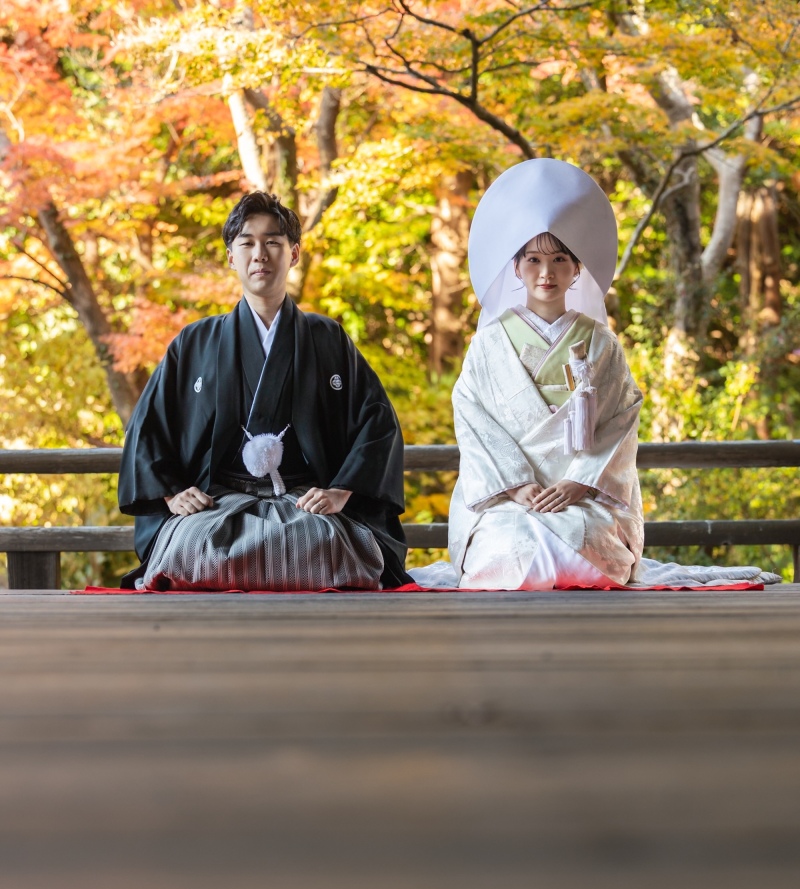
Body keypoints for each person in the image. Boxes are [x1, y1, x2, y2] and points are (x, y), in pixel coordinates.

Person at [425, 159, 778, 591]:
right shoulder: (488, 344)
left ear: (577, 269)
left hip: (583, 497)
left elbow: (620, 420)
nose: (546, 272)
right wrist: (516, 486)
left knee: (590, 545)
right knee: (509, 545)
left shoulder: (601, 343)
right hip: (508, 501)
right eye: (533, 259)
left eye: (559, 259)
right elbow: (473, 416)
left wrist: (579, 482)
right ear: (515, 268)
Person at [118, 192, 410, 590]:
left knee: (325, 543)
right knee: (191, 545)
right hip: (218, 503)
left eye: (273, 242)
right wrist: (170, 494)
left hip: (303, 502)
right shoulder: (195, 341)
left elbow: (378, 421)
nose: (260, 254)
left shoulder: (327, 338)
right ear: (230, 257)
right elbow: (147, 427)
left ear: (293, 254)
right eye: (247, 243)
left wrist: (343, 490)